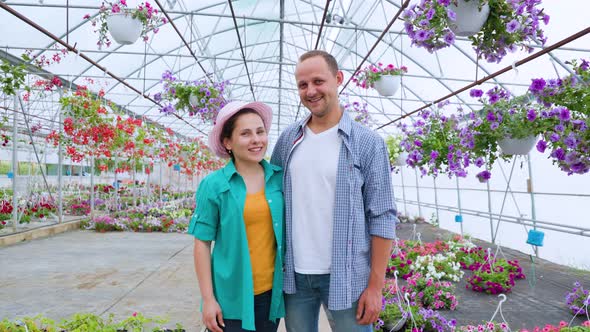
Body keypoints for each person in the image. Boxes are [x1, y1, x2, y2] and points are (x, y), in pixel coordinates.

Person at [271, 50, 397, 332]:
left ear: (338, 79)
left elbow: (383, 216)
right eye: (303, 85)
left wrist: (375, 287)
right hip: (295, 276)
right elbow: (271, 200)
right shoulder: (287, 141)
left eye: (318, 81)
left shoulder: (367, 143)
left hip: (348, 277)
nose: (310, 91)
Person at [189, 101, 285, 332]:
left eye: (260, 132)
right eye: (245, 134)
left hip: (271, 295)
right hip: (230, 297)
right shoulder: (213, 185)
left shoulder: (279, 179)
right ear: (227, 142)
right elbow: (202, 243)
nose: (256, 140)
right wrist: (208, 300)